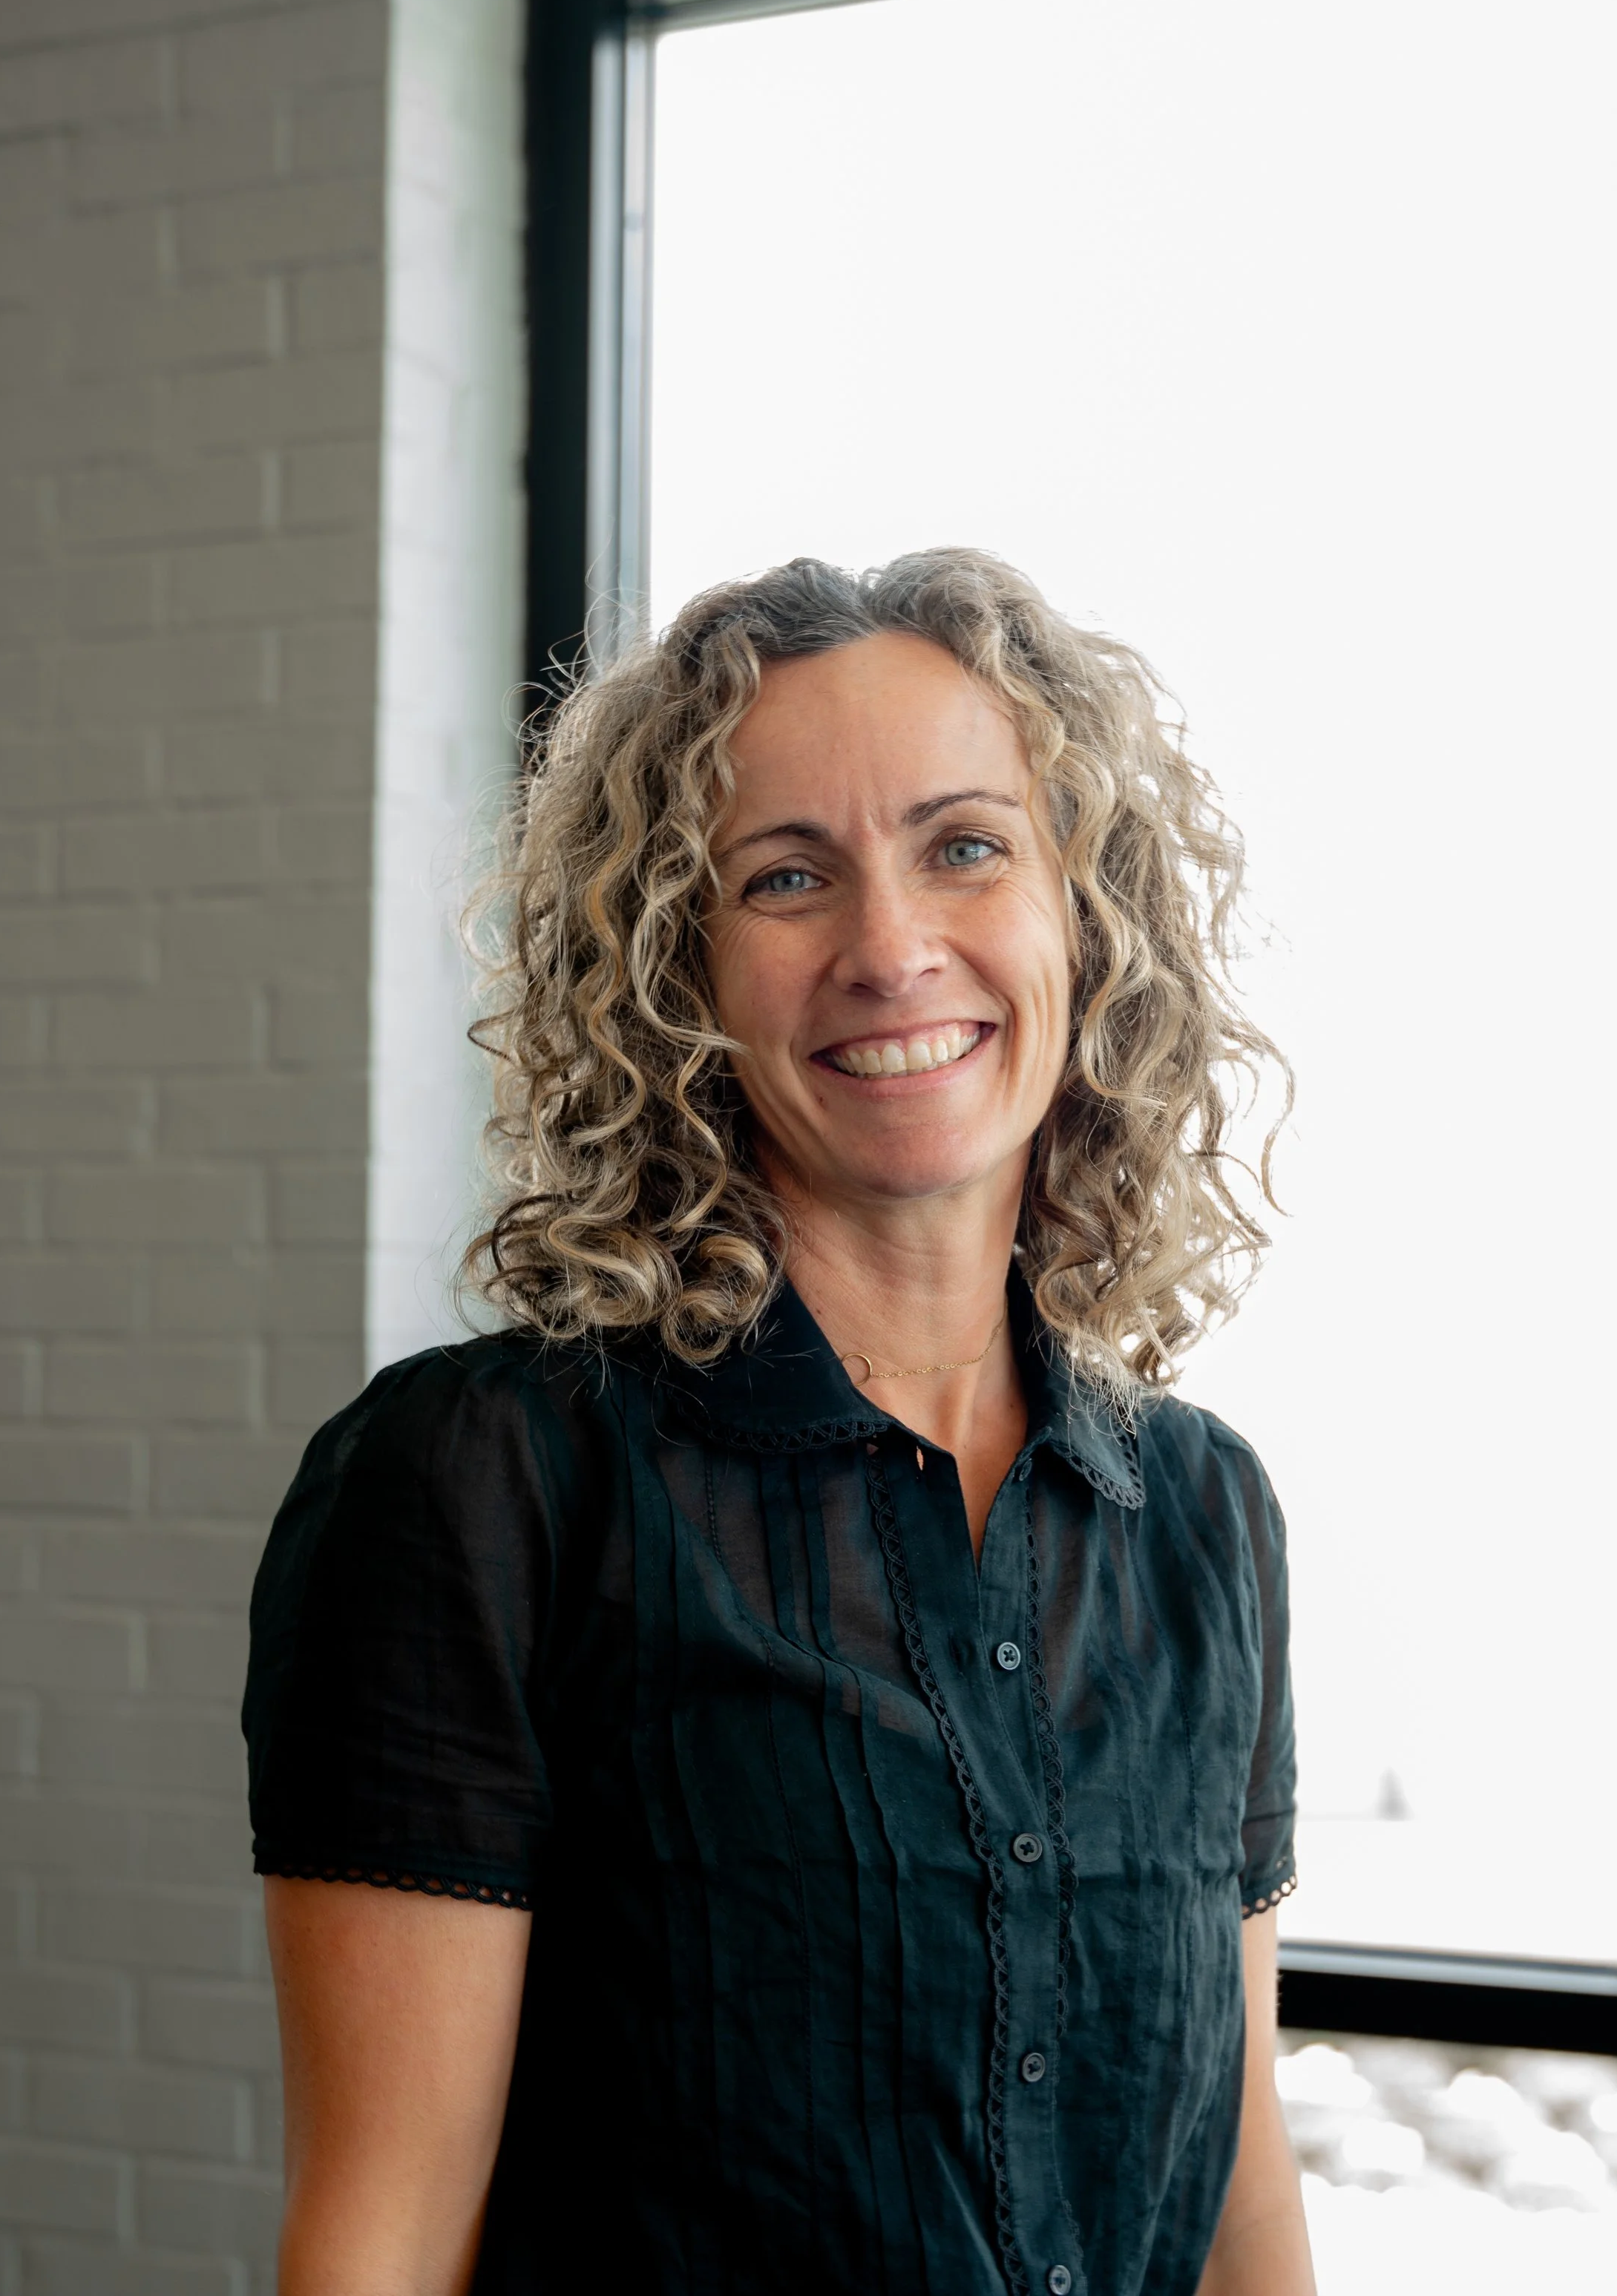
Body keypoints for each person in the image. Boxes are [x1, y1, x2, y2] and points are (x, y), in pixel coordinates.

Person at [243, 550, 1313, 2296]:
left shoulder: (1204, 1514)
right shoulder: (484, 1481)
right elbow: (380, 2238)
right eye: (785, 876)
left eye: (964, 846)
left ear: (1086, 916)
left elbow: (1238, 2199)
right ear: (675, 970)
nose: (889, 949)